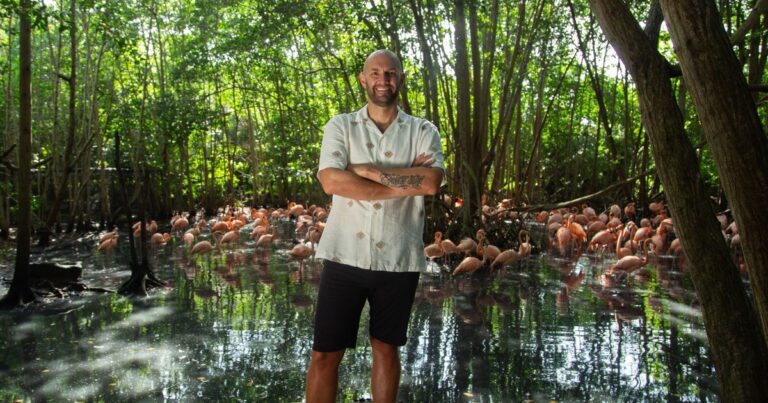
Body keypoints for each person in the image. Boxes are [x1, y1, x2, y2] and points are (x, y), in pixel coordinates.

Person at [305, 49, 445, 403]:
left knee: (386, 348)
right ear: (363, 79)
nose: (384, 80)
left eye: (391, 73)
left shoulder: (422, 130)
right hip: (343, 256)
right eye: (376, 73)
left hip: (398, 258)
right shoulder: (340, 126)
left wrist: (364, 171)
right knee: (325, 353)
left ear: (401, 78)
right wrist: (402, 182)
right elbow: (331, 182)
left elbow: (430, 183)